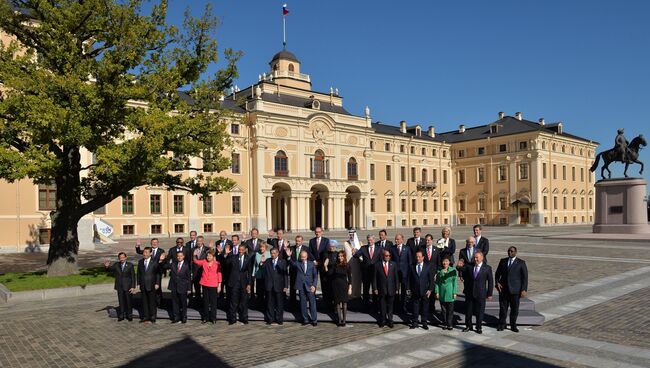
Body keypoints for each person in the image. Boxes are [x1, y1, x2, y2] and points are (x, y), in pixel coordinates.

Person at [456, 251, 493, 334]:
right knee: (468, 311)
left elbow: (490, 281)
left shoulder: (487, 268)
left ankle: (478, 327)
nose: (475, 259)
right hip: (470, 293)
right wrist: (458, 265)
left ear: (482, 258)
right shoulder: (469, 266)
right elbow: (460, 268)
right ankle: (468, 326)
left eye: (477, 257)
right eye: (474, 257)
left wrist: (489, 293)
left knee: (479, 311)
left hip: (481, 293)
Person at [495, 246, 528, 333]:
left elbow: (525, 277)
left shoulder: (521, 263)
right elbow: (497, 274)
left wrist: (524, 289)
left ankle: (513, 325)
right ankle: (502, 324)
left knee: (514, 309)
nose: (510, 252)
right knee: (503, 309)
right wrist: (497, 282)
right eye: (509, 251)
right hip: (504, 290)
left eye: (512, 251)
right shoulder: (503, 261)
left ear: (515, 252)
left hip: (515, 290)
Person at [287, 248, 319, 326]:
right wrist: (289, 257)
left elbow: (315, 276)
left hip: (310, 286)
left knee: (312, 303)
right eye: (302, 257)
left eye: (304, 257)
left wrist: (314, 285)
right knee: (303, 304)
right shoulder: (298, 263)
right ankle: (305, 319)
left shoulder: (311, 264)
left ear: (307, 256)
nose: (303, 259)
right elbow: (292, 263)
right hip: (301, 286)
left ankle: (314, 320)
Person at [193, 246, 223, 324]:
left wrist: (219, 285)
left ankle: (213, 318)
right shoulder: (204, 262)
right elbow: (196, 261)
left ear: (213, 256)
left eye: (210, 256)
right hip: (205, 284)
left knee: (213, 302)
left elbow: (219, 274)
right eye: (207, 255)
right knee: (205, 302)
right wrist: (194, 255)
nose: (208, 257)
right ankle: (205, 317)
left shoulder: (217, 264)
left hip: (213, 285)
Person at [162, 248, 192, 324]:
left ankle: (184, 317)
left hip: (183, 286)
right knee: (175, 303)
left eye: (181, 256)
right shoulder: (173, 264)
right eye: (178, 256)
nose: (179, 257)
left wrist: (189, 288)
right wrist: (163, 259)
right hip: (174, 286)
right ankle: (176, 317)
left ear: (183, 256)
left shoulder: (186, 265)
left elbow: (188, 277)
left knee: (183, 303)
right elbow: (164, 266)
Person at [104, 252, 136, 322]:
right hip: (119, 286)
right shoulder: (116, 265)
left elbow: (133, 276)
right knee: (121, 301)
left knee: (128, 301)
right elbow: (109, 270)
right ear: (119, 258)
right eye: (120, 258)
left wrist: (133, 286)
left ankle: (129, 315)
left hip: (128, 286)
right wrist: (107, 266)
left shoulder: (130, 265)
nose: (122, 259)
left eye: (123, 257)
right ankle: (121, 315)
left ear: (126, 257)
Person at [226, 244, 253, 325]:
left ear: (245, 250)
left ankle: (244, 318)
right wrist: (227, 254)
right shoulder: (233, 257)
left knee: (244, 302)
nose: (240, 251)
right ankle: (232, 319)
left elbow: (250, 272)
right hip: (234, 282)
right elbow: (226, 263)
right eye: (239, 249)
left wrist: (249, 284)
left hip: (244, 283)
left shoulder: (248, 258)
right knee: (233, 302)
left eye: (242, 250)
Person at [408, 250, 434, 330]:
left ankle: (424, 322)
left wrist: (430, 289)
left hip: (425, 290)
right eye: (416, 257)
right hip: (415, 290)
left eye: (419, 257)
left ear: (423, 257)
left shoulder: (428, 266)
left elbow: (431, 279)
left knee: (425, 307)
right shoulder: (412, 266)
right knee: (415, 307)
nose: (418, 258)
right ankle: (415, 321)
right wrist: (408, 289)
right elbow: (409, 279)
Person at [263, 247, 289, 325]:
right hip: (269, 285)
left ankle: (279, 319)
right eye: (271, 253)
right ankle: (270, 318)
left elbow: (285, 275)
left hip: (279, 286)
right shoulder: (267, 261)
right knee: (270, 303)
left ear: (277, 253)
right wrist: (261, 263)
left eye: (274, 253)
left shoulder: (283, 262)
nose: (273, 255)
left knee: (279, 304)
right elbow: (263, 269)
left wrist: (286, 286)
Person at [354, 234, 382, 307]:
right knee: (366, 289)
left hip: (375, 273)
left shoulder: (379, 249)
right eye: (368, 240)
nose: (370, 241)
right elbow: (356, 255)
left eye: (371, 240)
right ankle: (365, 305)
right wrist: (355, 251)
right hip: (366, 273)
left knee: (375, 289)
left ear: (374, 240)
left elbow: (381, 261)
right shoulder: (363, 248)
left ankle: (375, 305)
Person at [373, 249, 399, 328]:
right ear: (383, 256)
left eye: (389, 256)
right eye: (386, 255)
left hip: (391, 289)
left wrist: (397, 288)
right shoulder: (377, 265)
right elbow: (374, 278)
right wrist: (375, 288)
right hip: (381, 289)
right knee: (382, 306)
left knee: (390, 306)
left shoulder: (393, 264)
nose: (388, 257)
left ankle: (390, 320)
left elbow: (396, 277)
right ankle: (383, 320)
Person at [137, 247, 162, 324]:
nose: (145, 254)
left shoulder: (154, 262)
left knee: (152, 302)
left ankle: (153, 316)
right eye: (144, 252)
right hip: (143, 284)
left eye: (147, 252)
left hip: (152, 284)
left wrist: (157, 283)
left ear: (150, 253)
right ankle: (146, 316)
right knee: (144, 301)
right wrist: (138, 283)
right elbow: (139, 273)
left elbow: (158, 273)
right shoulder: (140, 262)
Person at [328, 250, 352, 326]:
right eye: (339, 256)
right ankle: (339, 320)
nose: (340, 257)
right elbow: (329, 274)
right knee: (337, 303)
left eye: (341, 256)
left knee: (344, 303)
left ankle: (344, 320)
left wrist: (350, 287)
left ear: (344, 257)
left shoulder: (347, 265)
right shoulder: (335, 265)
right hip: (335, 286)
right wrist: (326, 266)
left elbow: (350, 278)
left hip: (344, 286)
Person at [288, 235, 313, 308]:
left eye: (299, 241)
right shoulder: (291, 248)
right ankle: (292, 304)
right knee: (292, 289)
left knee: (302, 289)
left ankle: (302, 305)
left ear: (302, 241)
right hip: (293, 272)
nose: (297, 242)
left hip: (302, 273)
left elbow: (309, 259)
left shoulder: (306, 248)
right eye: (296, 241)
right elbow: (288, 259)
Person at [390, 233, 412, 313]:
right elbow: (391, 261)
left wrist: (409, 273)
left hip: (404, 274)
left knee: (403, 291)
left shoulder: (407, 248)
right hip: (395, 274)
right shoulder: (392, 248)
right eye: (395, 239)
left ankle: (403, 307)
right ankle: (395, 307)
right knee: (395, 290)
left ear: (402, 239)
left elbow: (410, 262)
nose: (396, 240)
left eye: (398, 239)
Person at [435, 255, 458, 330]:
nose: (445, 263)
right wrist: (437, 292)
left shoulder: (453, 270)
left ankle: (450, 324)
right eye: (444, 261)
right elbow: (437, 283)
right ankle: (444, 323)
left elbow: (455, 283)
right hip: (442, 293)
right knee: (443, 310)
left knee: (450, 310)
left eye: (447, 261)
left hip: (450, 292)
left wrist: (455, 292)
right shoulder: (439, 271)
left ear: (449, 262)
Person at [343, 230, 363, 300]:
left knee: (358, 279)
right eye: (350, 235)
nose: (351, 236)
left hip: (358, 264)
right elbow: (344, 254)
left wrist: (357, 251)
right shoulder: (346, 243)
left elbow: (363, 254)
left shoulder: (360, 243)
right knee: (350, 279)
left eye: (352, 235)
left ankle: (357, 294)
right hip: (349, 265)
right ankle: (350, 295)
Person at [320, 240, 339, 311]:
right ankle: (328, 307)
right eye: (330, 246)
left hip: (335, 276)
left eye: (333, 246)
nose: (332, 248)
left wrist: (329, 264)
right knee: (328, 292)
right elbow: (325, 264)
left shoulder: (337, 254)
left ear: (336, 246)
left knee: (335, 292)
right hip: (327, 276)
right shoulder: (325, 254)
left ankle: (335, 307)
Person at [252, 241, 271, 309]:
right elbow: (255, 265)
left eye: (262, 247)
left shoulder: (269, 254)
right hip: (259, 275)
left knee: (266, 291)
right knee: (259, 291)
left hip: (267, 276)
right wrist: (253, 275)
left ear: (265, 247)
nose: (261, 248)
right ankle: (260, 305)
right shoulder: (257, 254)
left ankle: (267, 306)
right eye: (260, 247)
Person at [191, 236, 209, 303]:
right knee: (197, 288)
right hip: (195, 272)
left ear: (203, 241)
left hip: (204, 272)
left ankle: (205, 302)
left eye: (200, 241)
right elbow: (191, 261)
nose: (199, 242)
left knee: (205, 289)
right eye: (198, 241)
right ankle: (198, 302)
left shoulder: (207, 249)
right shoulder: (193, 249)